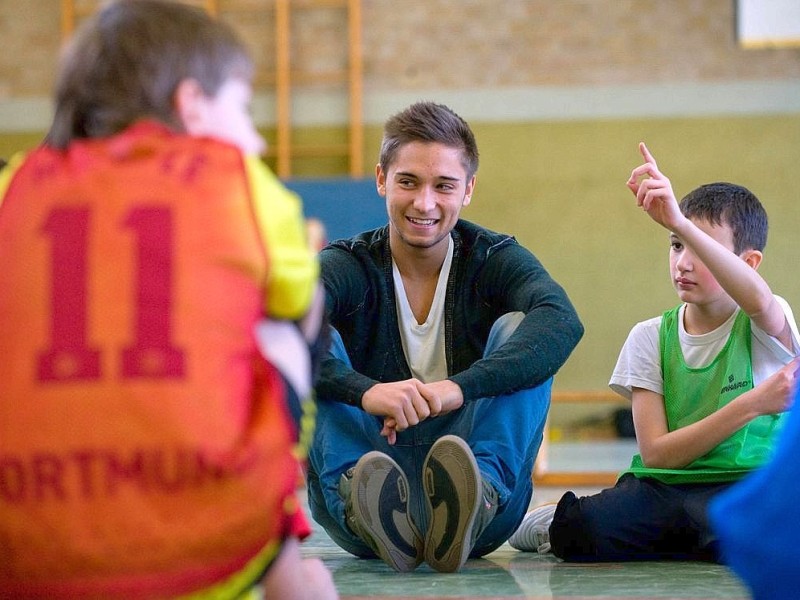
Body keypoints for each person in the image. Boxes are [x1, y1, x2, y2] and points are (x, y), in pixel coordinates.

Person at [0, 1, 337, 599]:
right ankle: (284, 561)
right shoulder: (239, 181)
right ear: (192, 106)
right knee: (292, 312)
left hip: (25, 556)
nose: (255, 135)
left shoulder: (12, 187)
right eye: (243, 108)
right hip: (207, 547)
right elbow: (295, 292)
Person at [306, 101, 584, 573]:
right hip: (366, 487)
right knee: (309, 329)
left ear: (468, 189)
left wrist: (456, 388)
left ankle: (479, 494)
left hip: (479, 504)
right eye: (408, 182)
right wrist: (367, 391)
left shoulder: (492, 258)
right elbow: (267, 327)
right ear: (381, 180)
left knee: (523, 332)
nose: (425, 203)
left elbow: (562, 321)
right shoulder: (348, 266)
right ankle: (359, 493)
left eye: (444, 186)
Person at [509, 142, 799, 561]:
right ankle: (553, 518)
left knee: (756, 531)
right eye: (676, 244)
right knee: (584, 530)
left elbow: (758, 299)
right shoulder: (649, 336)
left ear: (748, 262)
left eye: (699, 247)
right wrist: (752, 404)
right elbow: (658, 453)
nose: (683, 262)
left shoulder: (767, 322)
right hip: (665, 485)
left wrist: (680, 221)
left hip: (747, 483)